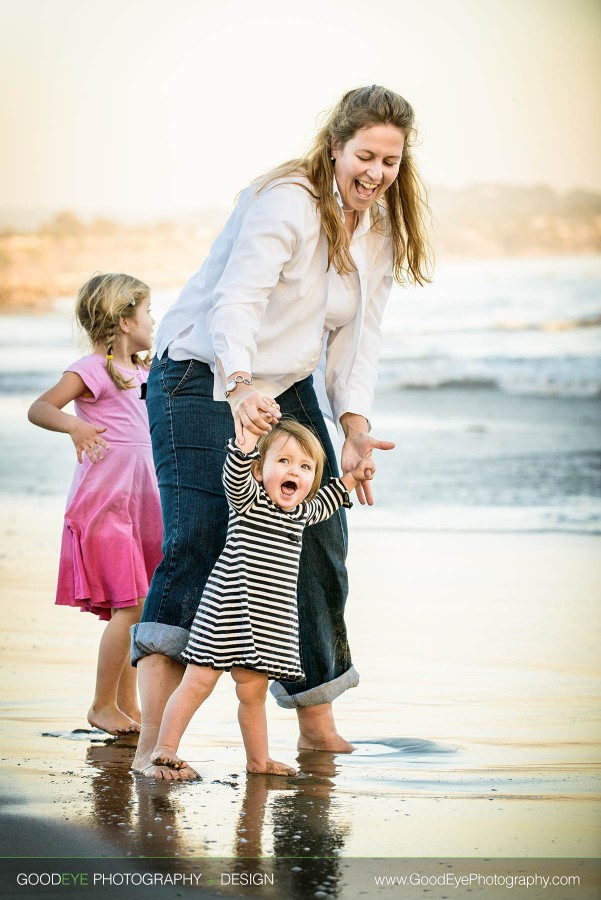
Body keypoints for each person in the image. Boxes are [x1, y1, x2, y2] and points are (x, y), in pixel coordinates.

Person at [131, 84, 431, 779]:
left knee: (321, 534)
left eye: (390, 161)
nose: (376, 173)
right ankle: (155, 743)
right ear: (336, 146)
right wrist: (238, 387)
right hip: (203, 371)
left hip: (287, 380)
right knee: (201, 537)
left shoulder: (380, 225)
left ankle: (317, 721)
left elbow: (360, 333)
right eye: (365, 156)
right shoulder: (286, 201)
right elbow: (239, 299)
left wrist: (353, 427)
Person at [149, 419, 377, 777]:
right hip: (225, 612)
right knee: (198, 683)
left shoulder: (302, 514)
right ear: (260, 469)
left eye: (305, 467)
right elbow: (235, 477)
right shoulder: (249, 503)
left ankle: (258, 761)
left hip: (269, 626)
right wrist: (246, 443)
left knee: (252, 695)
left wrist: (354, 477)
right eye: (283, 461)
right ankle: (164, 748)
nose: (294, 472)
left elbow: (330, 499)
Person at [28, 273, 162, 735]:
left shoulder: (147, 372)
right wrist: (76, 428)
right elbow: (41, 408)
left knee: (140, 605)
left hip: (144, 502)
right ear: (125, 320)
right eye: (147, 313)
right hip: (105, 501)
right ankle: (102, 703)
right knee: (130, 606)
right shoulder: (91, 369)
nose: (153, 321)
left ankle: (127, 705)